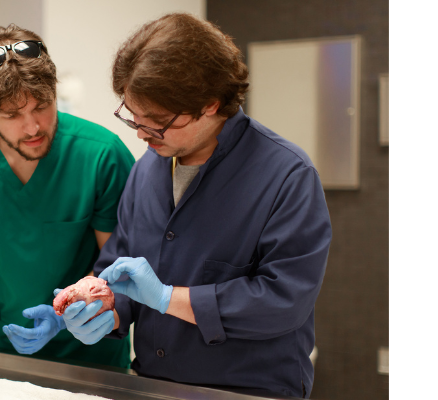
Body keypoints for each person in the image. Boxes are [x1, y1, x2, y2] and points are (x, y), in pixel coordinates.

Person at [59, 14, 332, 399]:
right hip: (154, 385)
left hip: (247, 390)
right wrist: (102, 306)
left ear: (210, 104)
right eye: (132, 116)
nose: (140, 133)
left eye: (156, 122)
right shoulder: (146, 171)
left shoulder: (287, 176)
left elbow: (283, 301)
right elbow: (119, 267)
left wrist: (169, 298)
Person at [0, 24, 135, 368]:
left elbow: (120, 269)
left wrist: (72, 313)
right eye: (12, 115)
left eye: (42, 105)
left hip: (94, 355)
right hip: (6, 350)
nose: (33, 127)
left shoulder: (100, 155)